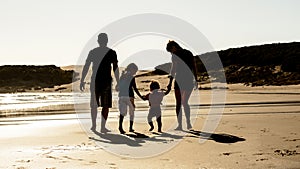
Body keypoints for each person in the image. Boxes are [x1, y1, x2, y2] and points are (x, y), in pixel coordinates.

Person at [80, 33, 119, 133]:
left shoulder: (93, 52)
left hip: (95, 81)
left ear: (98, 41)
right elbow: (115, 68)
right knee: (105, 105)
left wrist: (82, 80)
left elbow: (86, 66)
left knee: (94, 104)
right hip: (106, 81)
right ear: (107, 41)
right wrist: (118, 81)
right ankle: (102, 127)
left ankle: (94, 126)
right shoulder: (111, 52)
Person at [166, 40, 197, 130]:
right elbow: (194, 66)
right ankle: (188, 123)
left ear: (173, 47)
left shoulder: (175, 56)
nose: (171, 53)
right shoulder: (189, 53)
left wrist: (170, 83)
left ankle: (180, 125)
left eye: (171, 50)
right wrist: (196, 79)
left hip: (180, 80)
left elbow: (173, 69)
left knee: (179, 103)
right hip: (189, 80)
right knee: (185, 102)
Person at [118, 63, 144, 134]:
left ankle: (120, 127)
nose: (135, 72)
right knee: (131, 112)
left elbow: (119, 86)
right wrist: (141, 97)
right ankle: (130, 127)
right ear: (131, 69)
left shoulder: (122, 76)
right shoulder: (131, 77)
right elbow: (135, 88)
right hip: (130, 96)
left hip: (121, 96)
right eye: (135, 70)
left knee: (122, 113)